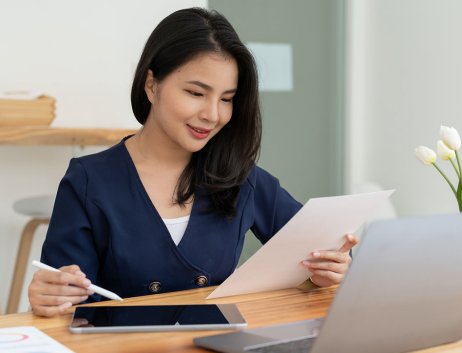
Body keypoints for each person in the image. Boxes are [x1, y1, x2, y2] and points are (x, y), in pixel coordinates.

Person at [28, 7, 357, 317]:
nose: (213, 115)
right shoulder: (88, 181)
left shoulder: (242, 179)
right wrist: (50, 296)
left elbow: (321, 249)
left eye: (226, 99)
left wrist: (328, 270)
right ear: (151, 84)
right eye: (197, 93)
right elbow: (66, 304)